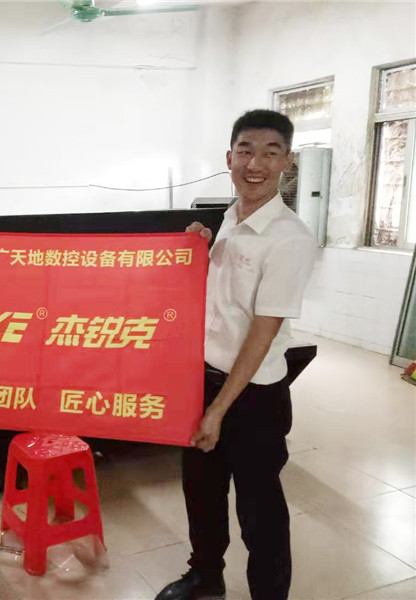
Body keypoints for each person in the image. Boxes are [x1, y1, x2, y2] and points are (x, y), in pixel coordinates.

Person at [156, 110, 317, 600]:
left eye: (270, 152)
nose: (255, 164)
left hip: (253, 398)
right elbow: (220, 304)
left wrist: (218, 410)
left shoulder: (289, 238)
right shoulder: (229, 217)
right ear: (229, 157)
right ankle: (205, 577)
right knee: (201, 492)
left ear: (287, 161)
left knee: (259, 511)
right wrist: (200, 251)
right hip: (202, 381)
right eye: (246, 151)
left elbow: (262, 334)